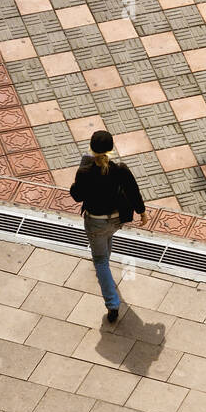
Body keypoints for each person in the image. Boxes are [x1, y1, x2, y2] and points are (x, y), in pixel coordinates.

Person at [69, 130, 146, 323]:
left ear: (91, 150)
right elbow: (133, 191)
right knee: (107, 239)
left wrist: (78, 177)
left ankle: (112, 304)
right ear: (111, 149)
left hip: (96, 221)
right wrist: (142, 212)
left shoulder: (85, 171)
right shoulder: (120, 169)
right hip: (116, 220)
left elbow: (77, 195)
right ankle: (106, 275)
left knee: (100, 260)